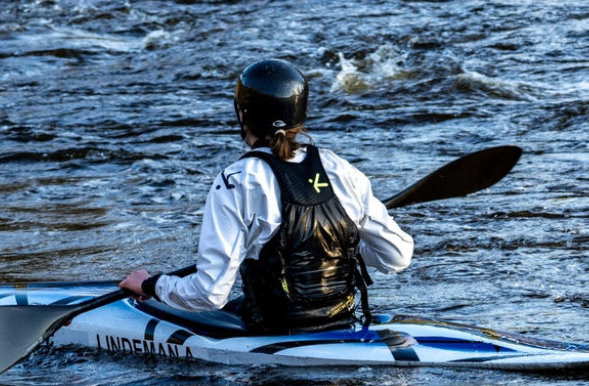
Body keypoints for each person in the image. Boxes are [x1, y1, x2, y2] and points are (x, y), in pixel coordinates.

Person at [120, 58, 413, 334]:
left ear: (242, 114)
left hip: (274, 335)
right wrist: (336, 242)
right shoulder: (342, 171)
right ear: (300, 113)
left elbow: (209, 295)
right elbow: (397, 257)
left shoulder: (236, 181)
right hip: (342, 323)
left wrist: (151, 284)